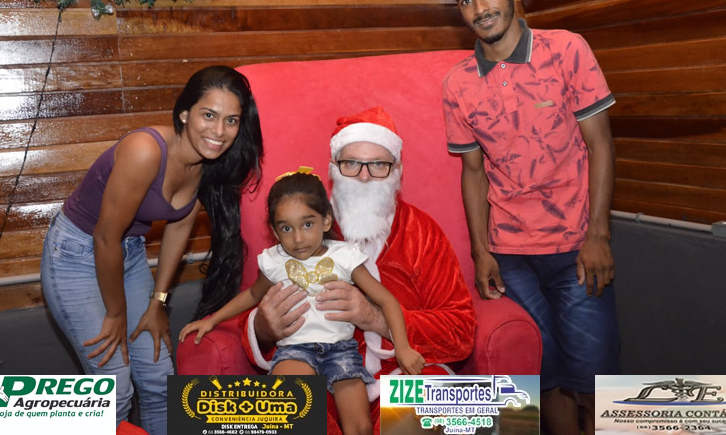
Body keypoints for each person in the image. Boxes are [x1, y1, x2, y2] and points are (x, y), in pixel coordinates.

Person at [441, 0, 620, 434]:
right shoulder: (457, 84)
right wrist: (481, 252)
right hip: (510, 259)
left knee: (596, 385)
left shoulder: (567, 49)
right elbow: (473, 173)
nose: (480, 8)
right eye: (465, 0)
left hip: (576, 249)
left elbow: (600, 144)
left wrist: (598, 235)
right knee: (542, 383)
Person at [40, 66, 263, 435]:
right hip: (76, 254)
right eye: (209, 115)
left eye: (231, 120)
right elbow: (105, 237)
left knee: (159, 375)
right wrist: (117, 313)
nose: (220, 131)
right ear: (184, 114)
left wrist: (157, 304)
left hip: (127, 254)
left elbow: (179, 227)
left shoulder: (206, 162)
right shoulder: (145, 150)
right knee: (113, 386)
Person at [239, 107, 477, 435]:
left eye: (379, 164)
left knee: (481, 409)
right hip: (315, 373)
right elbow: (254, 296)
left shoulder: (422, 231)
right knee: (234, 411)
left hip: (404, 377)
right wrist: (263, 327)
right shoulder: (302, 228)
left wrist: (375, 318)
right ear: (333, 168)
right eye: (351, 163)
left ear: (397, 170)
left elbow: (461, 331)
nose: (364, 176)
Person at [181, 168, 425, 434]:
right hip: (295, 350)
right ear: (275, 232)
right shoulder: (275, 261)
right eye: (286, 228)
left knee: (361, 427)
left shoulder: (345, 256)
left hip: (341, 350)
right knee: (287, 411)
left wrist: (402, 347)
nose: (298, 239)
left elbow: (386, 300)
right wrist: (212, 320)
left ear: (326, 220)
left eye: (308, 224)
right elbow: (252, 295)